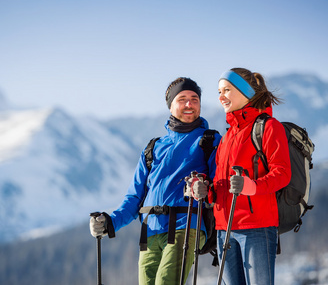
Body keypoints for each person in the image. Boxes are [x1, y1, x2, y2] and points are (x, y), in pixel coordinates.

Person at [89, 77, 221, 285]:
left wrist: (205, 186)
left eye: (194, 99)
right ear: (170, 106)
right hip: (150, 232)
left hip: (186, 226)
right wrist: (109, 222)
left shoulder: (210, 140)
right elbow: (134, 197)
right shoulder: (154, 147)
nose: (189, 104)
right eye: (182, 99)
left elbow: (218, 184)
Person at [191, 68, 291, 284]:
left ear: (245, 92)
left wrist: (251, 186)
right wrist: (205, 191)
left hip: (257, 227)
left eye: (227, 90)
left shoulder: (269, 127)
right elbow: (221, 185)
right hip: (223, 228)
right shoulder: (227, 137)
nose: (221, 96)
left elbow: (282, 173)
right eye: (219, 91)